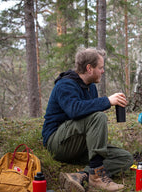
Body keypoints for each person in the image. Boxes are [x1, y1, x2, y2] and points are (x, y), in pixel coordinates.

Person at [42, 47, 133, 192]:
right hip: (57, 144)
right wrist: (107, 101)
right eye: (101, 68)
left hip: (78, 144)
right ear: (89, 68)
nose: (103, 71)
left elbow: (87, 116)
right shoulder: (65, 85)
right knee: (98, 116)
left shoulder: (91, 87)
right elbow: (74, 110)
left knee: (125, 158)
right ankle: (96, 177)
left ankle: (81, 176)